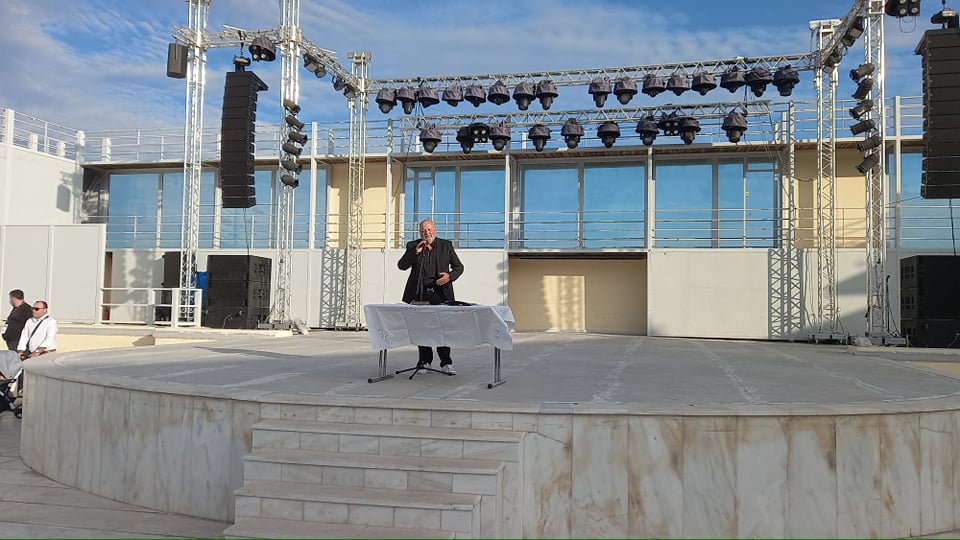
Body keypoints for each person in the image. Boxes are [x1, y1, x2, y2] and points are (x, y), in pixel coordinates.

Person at [397, 219, 464, 374]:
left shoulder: (446, 246)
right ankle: (425, 361)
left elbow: (459, 267)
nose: (426, 233)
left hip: (441, 294)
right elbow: (402, 266)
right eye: (423, 230)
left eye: (428, 229)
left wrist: (449, 277)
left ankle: (446, 362)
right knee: (422, 329)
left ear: (435, 230)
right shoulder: (413, 246)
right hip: (420, 294)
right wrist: (415, 252)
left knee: (442, 329)